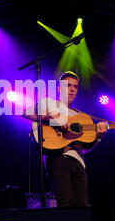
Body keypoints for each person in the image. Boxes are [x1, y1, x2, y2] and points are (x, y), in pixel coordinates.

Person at [23, 71, 107, 207]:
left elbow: (84, 148)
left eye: (75, 86)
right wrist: (49, 118)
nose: (72, 89)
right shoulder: (50, 104)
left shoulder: (81, 116)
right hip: (57, 158)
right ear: (59, 89)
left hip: (79, 164)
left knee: (82, 206)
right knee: (65, 205)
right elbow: (25, 112)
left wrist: (98, 136)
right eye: (68, 85)